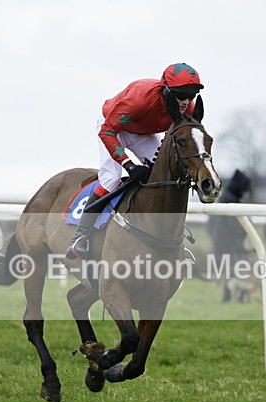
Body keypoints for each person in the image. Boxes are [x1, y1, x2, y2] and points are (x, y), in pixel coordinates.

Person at [65, 63, 204, 259]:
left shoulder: (187, 108)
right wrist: (128, 165)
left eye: (191, 95)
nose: (186, 101)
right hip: (114, 129)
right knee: (111, 179)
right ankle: (81, 237)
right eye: (181, 95)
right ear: (166, 90)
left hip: (142, 133)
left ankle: (172, 240)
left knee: (162, 172)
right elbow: (107, 131)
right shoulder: (139, 100)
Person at [207, 169, 251, 302]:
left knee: (230, 272)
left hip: (221, 243)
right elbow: (236, 225)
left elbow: (211, 223)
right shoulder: (231, 201)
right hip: (230, 244)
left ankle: (229, 297)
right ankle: (237, 298)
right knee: (237, 271)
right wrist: (244, 233)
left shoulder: (224, 198)